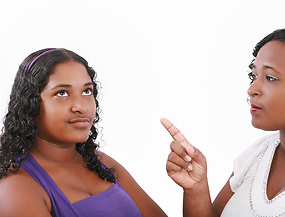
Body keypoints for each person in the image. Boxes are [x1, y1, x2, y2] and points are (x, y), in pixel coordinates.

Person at [161, 27, 285, 216]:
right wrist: (196, 187)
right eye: (254, 76)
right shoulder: (257, 156)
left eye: (270, 77)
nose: (252, 89)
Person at [0, 48, 167, 217]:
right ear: (29, 105)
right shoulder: (16, 188)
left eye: (87, 91)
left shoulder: (102, 163)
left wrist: (193, 190)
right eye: (62, 93)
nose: (81, 106)